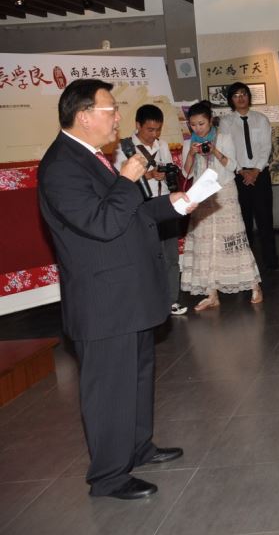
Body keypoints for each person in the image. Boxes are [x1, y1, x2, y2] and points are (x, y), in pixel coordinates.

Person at [37, 79, 194, 499]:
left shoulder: (91, 156)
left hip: (127, 292)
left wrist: (173, 204)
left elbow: (129, 213)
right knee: (109, 388)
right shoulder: (61, 166)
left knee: (136, 377)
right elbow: (101, 222)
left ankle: (138, 447)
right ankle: (108, 476)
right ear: (84, 115)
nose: (118, 118)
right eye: (111, 110)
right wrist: (126, 179)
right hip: (103, 300)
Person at [179, 101, 263, 311]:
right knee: (206, 242)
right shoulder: (189, 143)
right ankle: (212, 293)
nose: (197, 129)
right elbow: (185, 172)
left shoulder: (224, 138)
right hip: (202, 193)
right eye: (193, 125)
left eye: (201, 124)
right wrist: (191, 153)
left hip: (224, 190)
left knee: (233, 239)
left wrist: (214, 151)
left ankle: (254, 285)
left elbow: (233, 166)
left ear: (210, 120)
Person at [113, 104, 186, 315]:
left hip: (165, 203)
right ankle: (149, 301)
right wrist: (150, 175)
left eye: (158, 129)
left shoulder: (162, 145)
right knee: (146, 256)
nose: (154, 134)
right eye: (150, 129)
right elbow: (121, 180)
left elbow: (168, 167)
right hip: (141, 207)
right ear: (138, 125)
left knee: (171, 256)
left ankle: (172, 300)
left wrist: (167, 173)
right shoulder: (124, 148)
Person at [219, 82, 279, 272]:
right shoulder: (226, 122)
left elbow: (266, 147)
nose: (241, 98)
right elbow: (227, 150)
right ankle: (245, 266)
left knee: (265, 220)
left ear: (249, 96)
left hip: (260, 175)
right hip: (238, 175)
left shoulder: (261, 119)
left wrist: (256, 170)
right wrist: (241, 170)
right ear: (231, 100)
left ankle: (271, 262)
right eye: (236, 95)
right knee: (242, 221)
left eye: (244, 94)